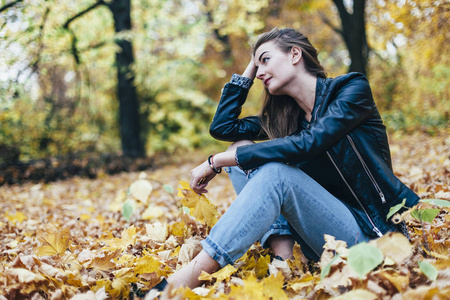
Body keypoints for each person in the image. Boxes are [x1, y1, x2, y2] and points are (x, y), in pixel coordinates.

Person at [158, 27, 420, 290]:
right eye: (256, 66)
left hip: (373, 239)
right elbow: (223, 128)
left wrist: (216, 161)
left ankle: (181, 282)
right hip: (322, 239)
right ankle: (282, 263)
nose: (259, 73)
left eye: (265, 60)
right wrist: (251, 64)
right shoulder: (286, 119)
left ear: (295, 54)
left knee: (271, 172)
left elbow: (311, 143)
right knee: (239, 145)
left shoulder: (351, 90)